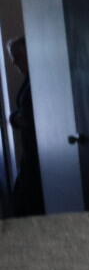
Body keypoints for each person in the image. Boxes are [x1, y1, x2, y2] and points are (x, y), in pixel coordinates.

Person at [5, 35, 44, 217]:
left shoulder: (41, 79)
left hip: (39, 155)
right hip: (30, 155)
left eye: (17, 56)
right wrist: (16, 118)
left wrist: (22, 118)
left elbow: (30, 116)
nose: (14, 63)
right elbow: (17, 116)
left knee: (26, 205)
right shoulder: (29, 80)